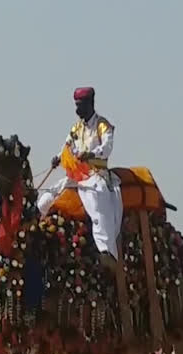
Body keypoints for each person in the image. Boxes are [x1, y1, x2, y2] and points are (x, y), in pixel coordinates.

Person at [39, 87, 122, 270]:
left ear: (90, 104)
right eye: (75, 105)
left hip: (96, 175)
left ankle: (106, 251)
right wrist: (58, 158)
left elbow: (107, 148)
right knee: (45, 199)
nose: (77, 110)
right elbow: (66, 146)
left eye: (80, 106)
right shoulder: (76, 127)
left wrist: (91, 154)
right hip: (76, 176)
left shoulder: (103, 125)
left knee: (97, 203)